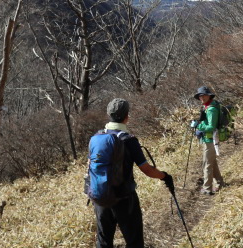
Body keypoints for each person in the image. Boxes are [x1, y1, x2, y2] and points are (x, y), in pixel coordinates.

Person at [91, 98, 174, 248]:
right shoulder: (128, 140)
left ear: (109, 114)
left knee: (103, 242)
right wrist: (165, 176)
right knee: (134, 241)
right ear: (126, 116)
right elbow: (147, 170)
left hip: (100, 196)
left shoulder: (97, 137)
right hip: (124, 198)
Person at [192, 85, 225, 195]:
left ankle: (207, 188)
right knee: (212, 162)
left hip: (210, 139)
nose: (202, 98)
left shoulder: (211, 109)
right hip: (209, 139)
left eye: (204, 96)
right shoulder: (208, 106)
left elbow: (211, 126)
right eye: (200, 96)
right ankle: (220, 183)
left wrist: (199, 126)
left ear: (208, 96)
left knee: (207, 164)